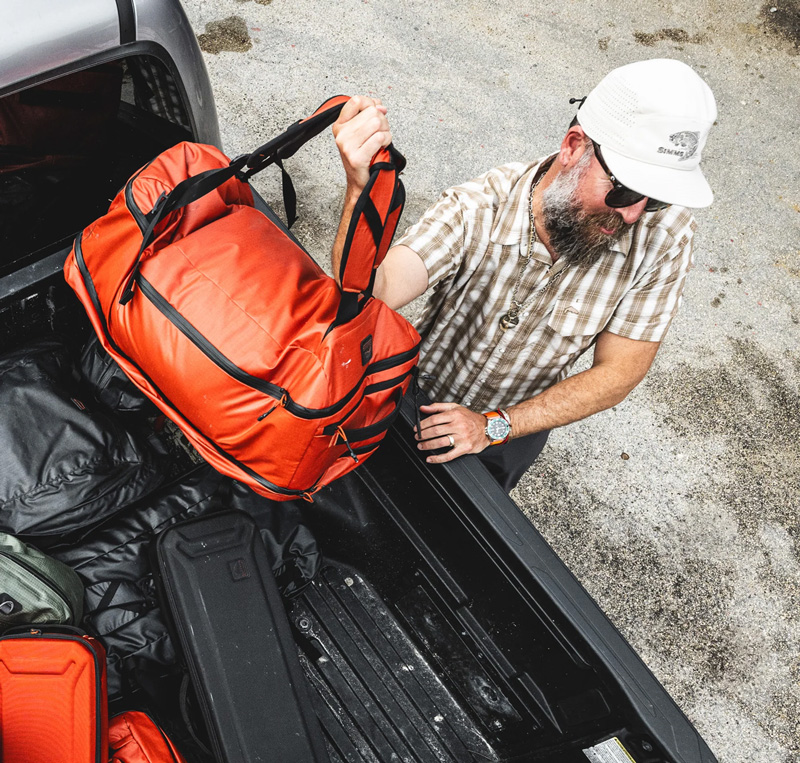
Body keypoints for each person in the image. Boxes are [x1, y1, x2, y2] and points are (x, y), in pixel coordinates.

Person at [331, 59, 717, 492]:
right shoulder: (482, 205)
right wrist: (359, 191)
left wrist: (497, 426)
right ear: (573, 146)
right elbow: (375, 291)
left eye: (658, 199)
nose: (633, 214)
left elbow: (619, 372)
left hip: (515, 430)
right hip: (414, 395)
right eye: (624, 189)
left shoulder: (665, 237)